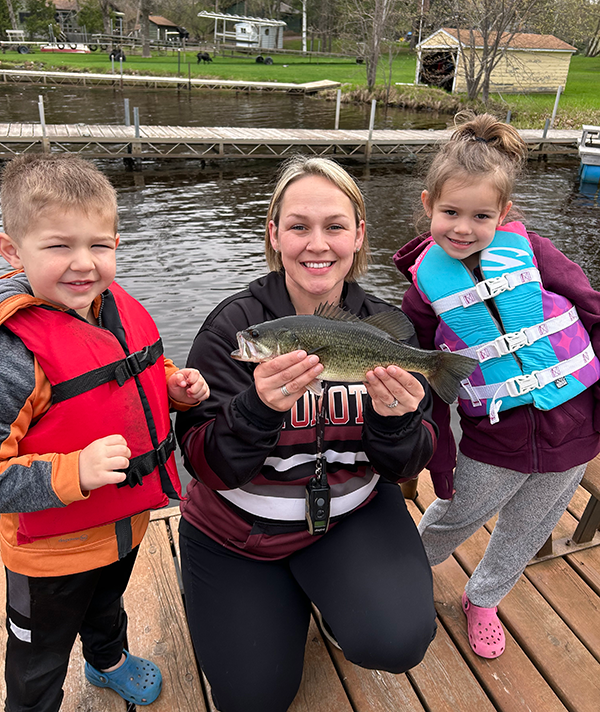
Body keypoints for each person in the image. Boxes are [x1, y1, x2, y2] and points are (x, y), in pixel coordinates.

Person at [175, 156, 438, 712]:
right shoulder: (234, 328)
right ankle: (278, 603)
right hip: (237, 532)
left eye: (334, 226)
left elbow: (405, 466)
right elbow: (204, 465)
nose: (316, 244)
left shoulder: (385, 329)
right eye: (298, 226)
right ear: (274, 234)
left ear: (359, 235)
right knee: (253, 699)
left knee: (396, 639)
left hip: (348, 517)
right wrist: (257, 409)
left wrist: (398, 423)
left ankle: (338, 597)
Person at [0, 154, 210, 711]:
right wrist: (75, 472)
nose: (83, 264)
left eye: (99, 245)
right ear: (11, 251)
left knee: (108, 603)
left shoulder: (113, 306)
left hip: (124, 523)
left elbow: (131, 378)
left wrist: (172, 387)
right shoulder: (13, 356)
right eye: (58, 246)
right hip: (49, 554)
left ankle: (107, 658)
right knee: (37, 655)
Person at [393, 112, 600, 659]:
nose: (463, 228)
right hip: (494, 439)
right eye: (450, 212)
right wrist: (439, 457)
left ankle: (483, 598)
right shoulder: (422, 295)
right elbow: (425, 380)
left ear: (503, 214)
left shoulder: (537, 251)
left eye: (481, 216)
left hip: (575, 430)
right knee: (455, 514)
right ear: (427, 206)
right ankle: (402, 575)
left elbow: (593, 314)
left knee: (528, 530)